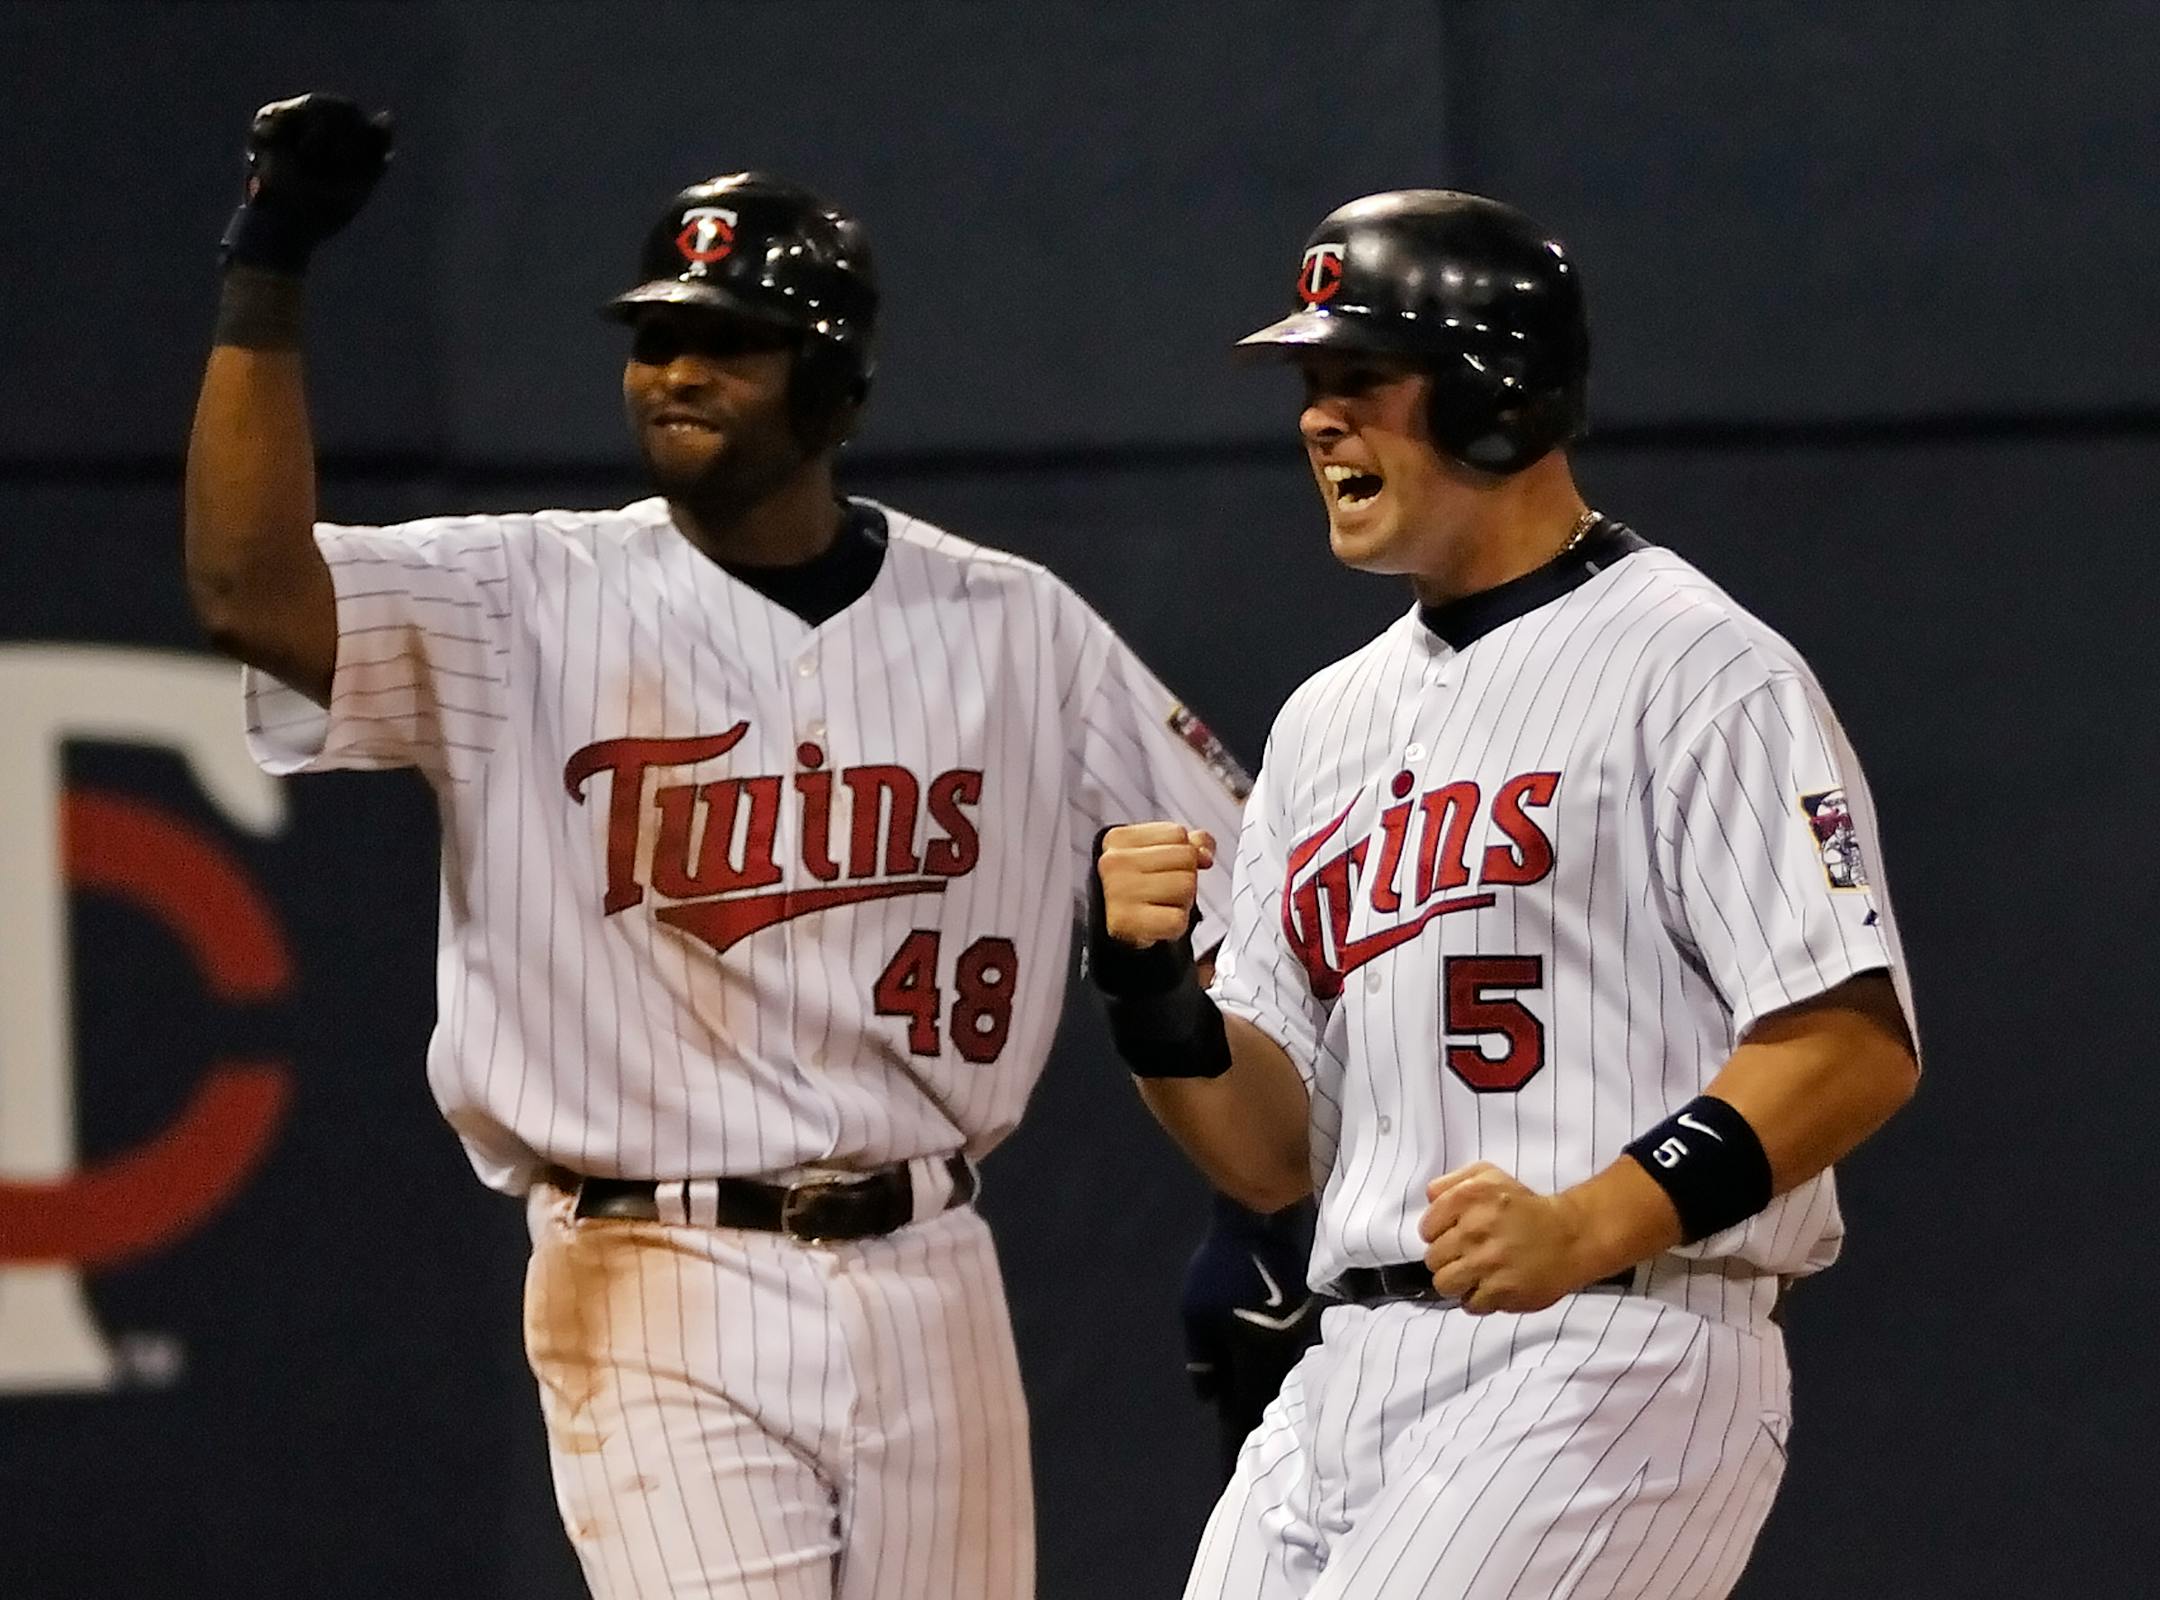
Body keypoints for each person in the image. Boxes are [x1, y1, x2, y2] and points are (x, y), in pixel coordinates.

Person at [182, 93, 1250, 1600]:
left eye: (729, 343)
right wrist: (267, 264)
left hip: (932, 1261)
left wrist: (1261, 1196)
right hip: (651, 1275)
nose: (676, 370)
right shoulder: (516, 594)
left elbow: (1254, 887)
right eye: (656, 337)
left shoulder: (1015, 624)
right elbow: (246, 592)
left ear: (833, 384)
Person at [1086, 189, 1921, 1598]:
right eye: (1310, 384)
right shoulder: (1326, 722)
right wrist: (1149, 993)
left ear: (1494, 391)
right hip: (1355, 1360)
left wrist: (1596, 1215)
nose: (1317, 418)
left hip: (1621, 1347)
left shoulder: (1697, 666)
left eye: (1359, 377)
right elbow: (1270, 1154)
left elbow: (1850, 1043)